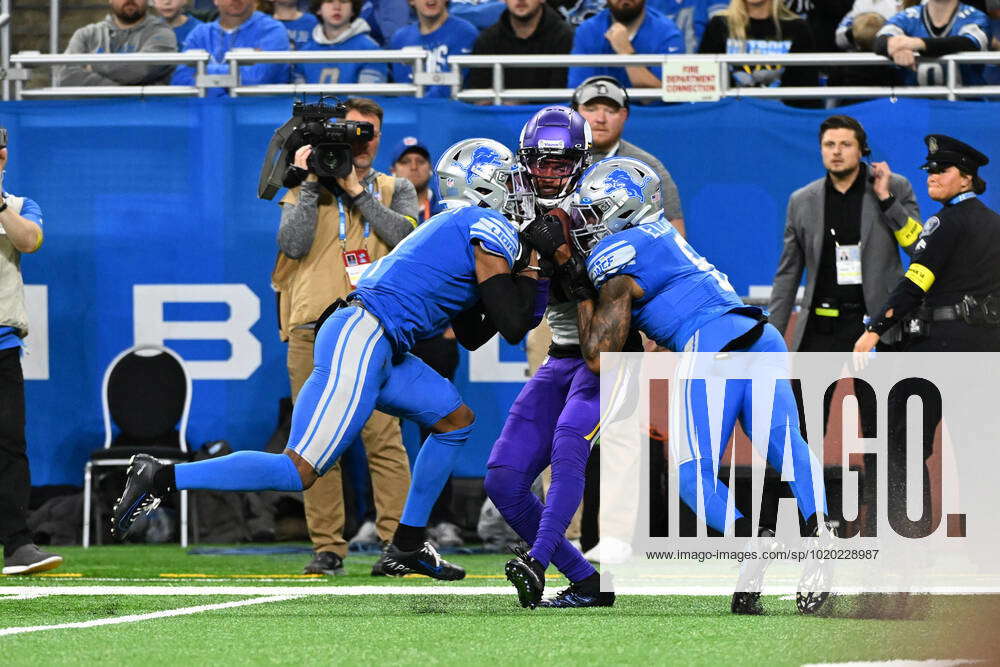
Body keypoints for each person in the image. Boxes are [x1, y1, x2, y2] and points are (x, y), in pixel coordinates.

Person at [113, 137, 546, 582]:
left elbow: (476, 332)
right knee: (297, 469)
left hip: (377, 340)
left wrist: (534, 273)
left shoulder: (459, 224)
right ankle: (161, 478)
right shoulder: (482, 222)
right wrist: (534, 268)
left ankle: (408, 544)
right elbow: (513, 325)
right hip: (365, 334)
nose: (517, 188)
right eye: (508, 179)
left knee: (455, 421)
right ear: (483, 185)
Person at [556, 156, 828, 615]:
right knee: (788, 450)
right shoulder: (659, 231)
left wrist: (577, 284)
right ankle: (822, 546)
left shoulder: (614, 252)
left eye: (594, 211)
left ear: (620, 210)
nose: (588, 222)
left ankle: (750, 547)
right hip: (760, 335)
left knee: (690, 474)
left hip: (713, 342)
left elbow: (599, 354)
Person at [272, 98, 416, 576]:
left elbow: (403, 240)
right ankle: (327, 546)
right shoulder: (302, 187)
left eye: (368, 132)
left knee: (384, 439)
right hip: (310, 327)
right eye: (351, 131)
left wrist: (356, 190)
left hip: (371, 328)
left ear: (378, 137)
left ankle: (397, 543)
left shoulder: (397, 187)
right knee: (314, 442)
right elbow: (291, 245)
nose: (359, 140)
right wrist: (312, 181)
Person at [487, 106, 619, 609]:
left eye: (558, 163)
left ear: (581, 162)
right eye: (538, 163)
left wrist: (560, 255)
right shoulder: (510, 208)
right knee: (503, 477)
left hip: (610, 358)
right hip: (561, 356)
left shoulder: (604, 206)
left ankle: (537, 562)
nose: (546, 173)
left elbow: (616, 295)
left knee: (567, 451)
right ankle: (585, 580)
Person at [770, 115, 921, 354]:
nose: (836, 152)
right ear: (821, 150)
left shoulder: (894, 187)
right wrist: (772, 336)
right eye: (829, 145)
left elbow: (918, 248)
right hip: (823, 322)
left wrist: (886, 199)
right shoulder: (801, 201)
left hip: (877, 325)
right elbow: (788, 274)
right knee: (805, 393)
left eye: (845, 144)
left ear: (862, 150)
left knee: (879, 394)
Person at [855, 135, 1000, 355]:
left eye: (942, 171)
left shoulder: (944, 222)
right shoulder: (994, 221)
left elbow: (914, 285)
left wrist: (875, 330)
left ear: (966, 178)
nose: (932, 177)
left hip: (946, 344)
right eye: (930, 171)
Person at [389, 136, 464, 548]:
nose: (414, 167)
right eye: (406, 161)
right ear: (395, 169)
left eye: (421, 160)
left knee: (441, 426)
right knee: (384, 434)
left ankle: (441, 520)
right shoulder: (381, 208)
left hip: (435, 336)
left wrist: (452, 326)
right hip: (395, 333)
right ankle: (384, 519)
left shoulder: (448, 212)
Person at [0, 127, 62, 576]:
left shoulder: (21, 206)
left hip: (2, 343)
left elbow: (30, 241)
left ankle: (18, 545)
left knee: (9, 447)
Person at [570, 76, 686, 236]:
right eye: (591, 109)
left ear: (624, 115)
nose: (600, 119)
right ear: (575, 112)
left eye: (610, 111)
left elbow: (675, 232)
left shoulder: (646, 166)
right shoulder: (554, 161)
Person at [698, 0, 819, 96]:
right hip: (731, 115)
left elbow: (806, 88)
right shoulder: (719, 25)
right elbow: (706, 83)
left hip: (780, 116)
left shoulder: (797, 27)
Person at [170, 0, 290, 95]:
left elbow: (257, 79)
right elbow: (180, 80)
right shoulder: (200, 34)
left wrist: (202, 73)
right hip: (208, 111)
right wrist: (234, 78)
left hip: (260, 113)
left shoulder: (272, 30)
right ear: (215, 0)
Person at [54, 0, 178, 87]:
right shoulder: (86, 34)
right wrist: (127, 91)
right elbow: (66, 77)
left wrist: (94, 66)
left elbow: (142, 69)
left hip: (144, 115)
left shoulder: (163, 34)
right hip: (91, 114)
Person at [465, 0, 576, 94]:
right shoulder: (487, 39)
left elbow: (561, 94)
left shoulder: (564, 36)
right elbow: (478, 93)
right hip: (500, 115)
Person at [568, 0, 684, 89]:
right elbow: (580, 92)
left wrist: (625, 52)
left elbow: (662, 98)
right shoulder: (587, 31)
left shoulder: (667, 32)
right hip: (603, 115)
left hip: (650, 116)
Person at [873, 0, 992, 87]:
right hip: (915, 110)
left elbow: (968, 43)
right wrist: (895, 47)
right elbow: (880, 41)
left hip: (965, 107)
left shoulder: (976, 17)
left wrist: (917, 43)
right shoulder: (907, 16)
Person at [388, 0, 478, 97]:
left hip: (448, 109)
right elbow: (400, 87)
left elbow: (448, 89)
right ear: (411, 1)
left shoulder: (464, 33)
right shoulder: (400, 38)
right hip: (408, 109)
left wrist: (420, 105)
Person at [295, 0, 387, 84]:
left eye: (344, 1)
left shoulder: (370, 50)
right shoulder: (305, 53)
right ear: (318, 9)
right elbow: (298, 98)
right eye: (329, 1)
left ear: (353, 10)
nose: (337, 7)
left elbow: (369, 99)